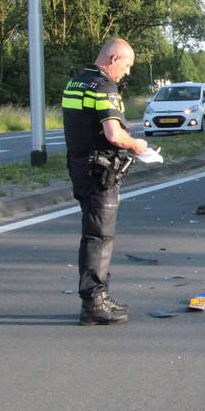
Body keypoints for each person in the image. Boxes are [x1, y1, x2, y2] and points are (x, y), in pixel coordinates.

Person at [61, 38, 149, 326]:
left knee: (92, 233)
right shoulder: (104, 87)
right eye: (127, 64)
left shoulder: (76, 83)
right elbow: (113, 135)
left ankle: (99, 294)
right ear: (113, 59)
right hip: (99, 170)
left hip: (79, 166)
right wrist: (136, 144)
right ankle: (95, 303)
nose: (127, 71)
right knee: (99, 237)